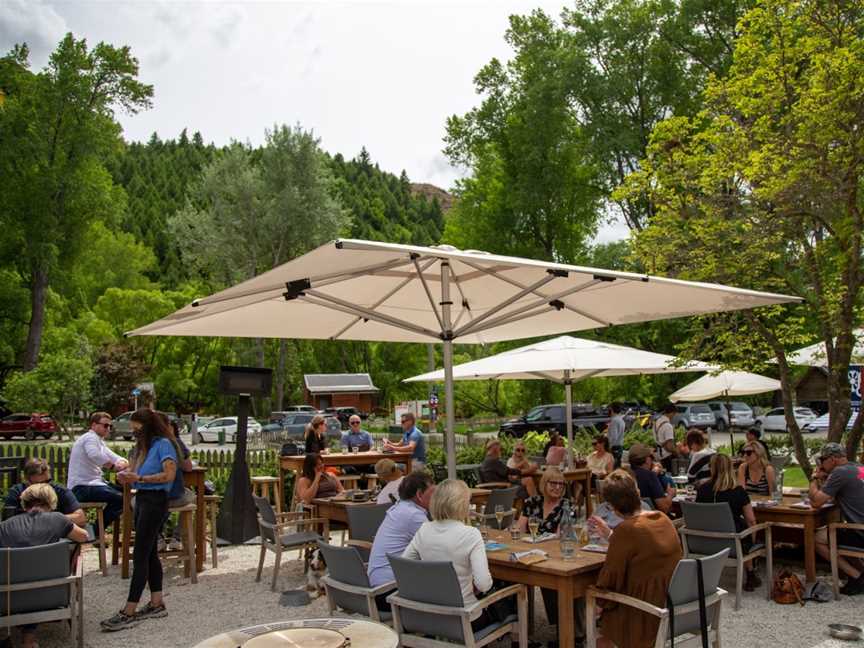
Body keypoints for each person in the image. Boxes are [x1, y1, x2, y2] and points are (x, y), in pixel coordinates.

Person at [404, 479, 522, 641]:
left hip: (430, 616)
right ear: (462, 504)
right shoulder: (470, 534)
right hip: (464, 619)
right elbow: (484, 584)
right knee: (513, 596)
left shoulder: (424, 529)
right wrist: (469, 584)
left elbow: (405, 566)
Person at [101, 409, 178, 631]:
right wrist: (124, 476)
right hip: (143, 498)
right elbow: (133, 471)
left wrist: (140, 478)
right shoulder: (143, 447)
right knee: (150, 552)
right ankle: (156, 602)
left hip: (156, 499)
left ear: (147, 427)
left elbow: (169, 475)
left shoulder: (163, 444)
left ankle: (129, 610)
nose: (134, 434)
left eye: (137, 429)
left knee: (141, 554)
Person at [587, 470, 682, 648]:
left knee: (594, 602)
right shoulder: (662, 519)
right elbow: (642, 548)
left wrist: (597, 604)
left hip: (642, 614)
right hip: (671, 605)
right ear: (637, 493)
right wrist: (611, 535)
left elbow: (609, 580)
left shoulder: (626, 530)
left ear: (612, 507)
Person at [0, 483, 89, 648]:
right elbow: (84, 536)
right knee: (38, 572)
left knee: (23, 572)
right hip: (52, 595)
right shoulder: (57, 519)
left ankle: (26, 638)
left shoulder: (5, 526)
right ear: (51, 502)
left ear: (24, 503)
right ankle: (29, 640)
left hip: (9, 599)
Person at [517, 467, 582, 640]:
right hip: (530, 552)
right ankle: (520, 631)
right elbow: (519, 529)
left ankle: (569, 632)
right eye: (554, 483)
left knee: (555, 581)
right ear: (544, 484)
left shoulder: (566, 505)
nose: (558, 487)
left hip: (554, 555)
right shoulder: (532, 502)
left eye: (561, 484)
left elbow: (562, 536)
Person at [696, 454, 762, 590]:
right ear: (730, 468)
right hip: (732, 544)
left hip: (704, 543)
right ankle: (750, 574)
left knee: (741, 531)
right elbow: (751, 520)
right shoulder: (738, 491)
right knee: (745, 531)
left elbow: (699, 515)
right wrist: (753, 540)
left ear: (711, 468)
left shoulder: (702, 490)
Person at [809, 443, 864, 595]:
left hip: (861, 531)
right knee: (839, 532)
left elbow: (816, 502)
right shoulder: (858, 468)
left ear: (832, 459)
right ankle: (859, 572)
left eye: (823, 459)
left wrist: (814, 479)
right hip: (859, 527)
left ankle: (856, 576)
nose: (821, 464)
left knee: (817, 540)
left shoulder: (839, 473)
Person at [367, 471, 435, 594]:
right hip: (389, 590)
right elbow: (438, 548)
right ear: (419, 494)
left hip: (378, 583)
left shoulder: (401, 507)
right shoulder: (414, 515)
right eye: (432, 493)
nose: (435, 498)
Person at [67, 411, 129, 528]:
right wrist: (113, 466)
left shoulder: (99, 441)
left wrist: (122, 462)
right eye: (105, 425)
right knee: (121, 499)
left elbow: (116, 457)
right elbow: (94, 455)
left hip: (92, 485)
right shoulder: (90, 438)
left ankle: (96, 530)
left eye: (110, 426)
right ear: (94, 425)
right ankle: (95, 532)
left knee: (124, 494)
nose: (108, 428)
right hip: (81, 488)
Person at [5, 457, 86, 526]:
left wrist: (49, 519)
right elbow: (8, 523)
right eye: (38, 483)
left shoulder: (60, 490)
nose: (44, 486)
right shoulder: (16, 493)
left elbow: (80, 518)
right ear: (27, 480)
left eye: (47, 481)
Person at [627, 443, 673, 514]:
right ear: (647, 459)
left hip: (630, 518)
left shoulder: (625, 474)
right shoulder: (650, 476)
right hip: (653, 520)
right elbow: (665, 508)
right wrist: (670, 494)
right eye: (652, 457)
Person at [652, 404, 679, 473]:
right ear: (672, 413)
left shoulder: (656, 422)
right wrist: (677, 453)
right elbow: (669, 446)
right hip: (667, 456)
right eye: (674, 414)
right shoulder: (668, 426)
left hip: (659, 455)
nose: (674, 416)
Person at [607, 402, 626, 468]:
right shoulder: (621, 420)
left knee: (613, 468)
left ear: (612, 409)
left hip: (614, 447)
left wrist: (609, 446)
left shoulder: (614, 421)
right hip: (620, 447)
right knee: (618, 467)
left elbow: (614, 437)